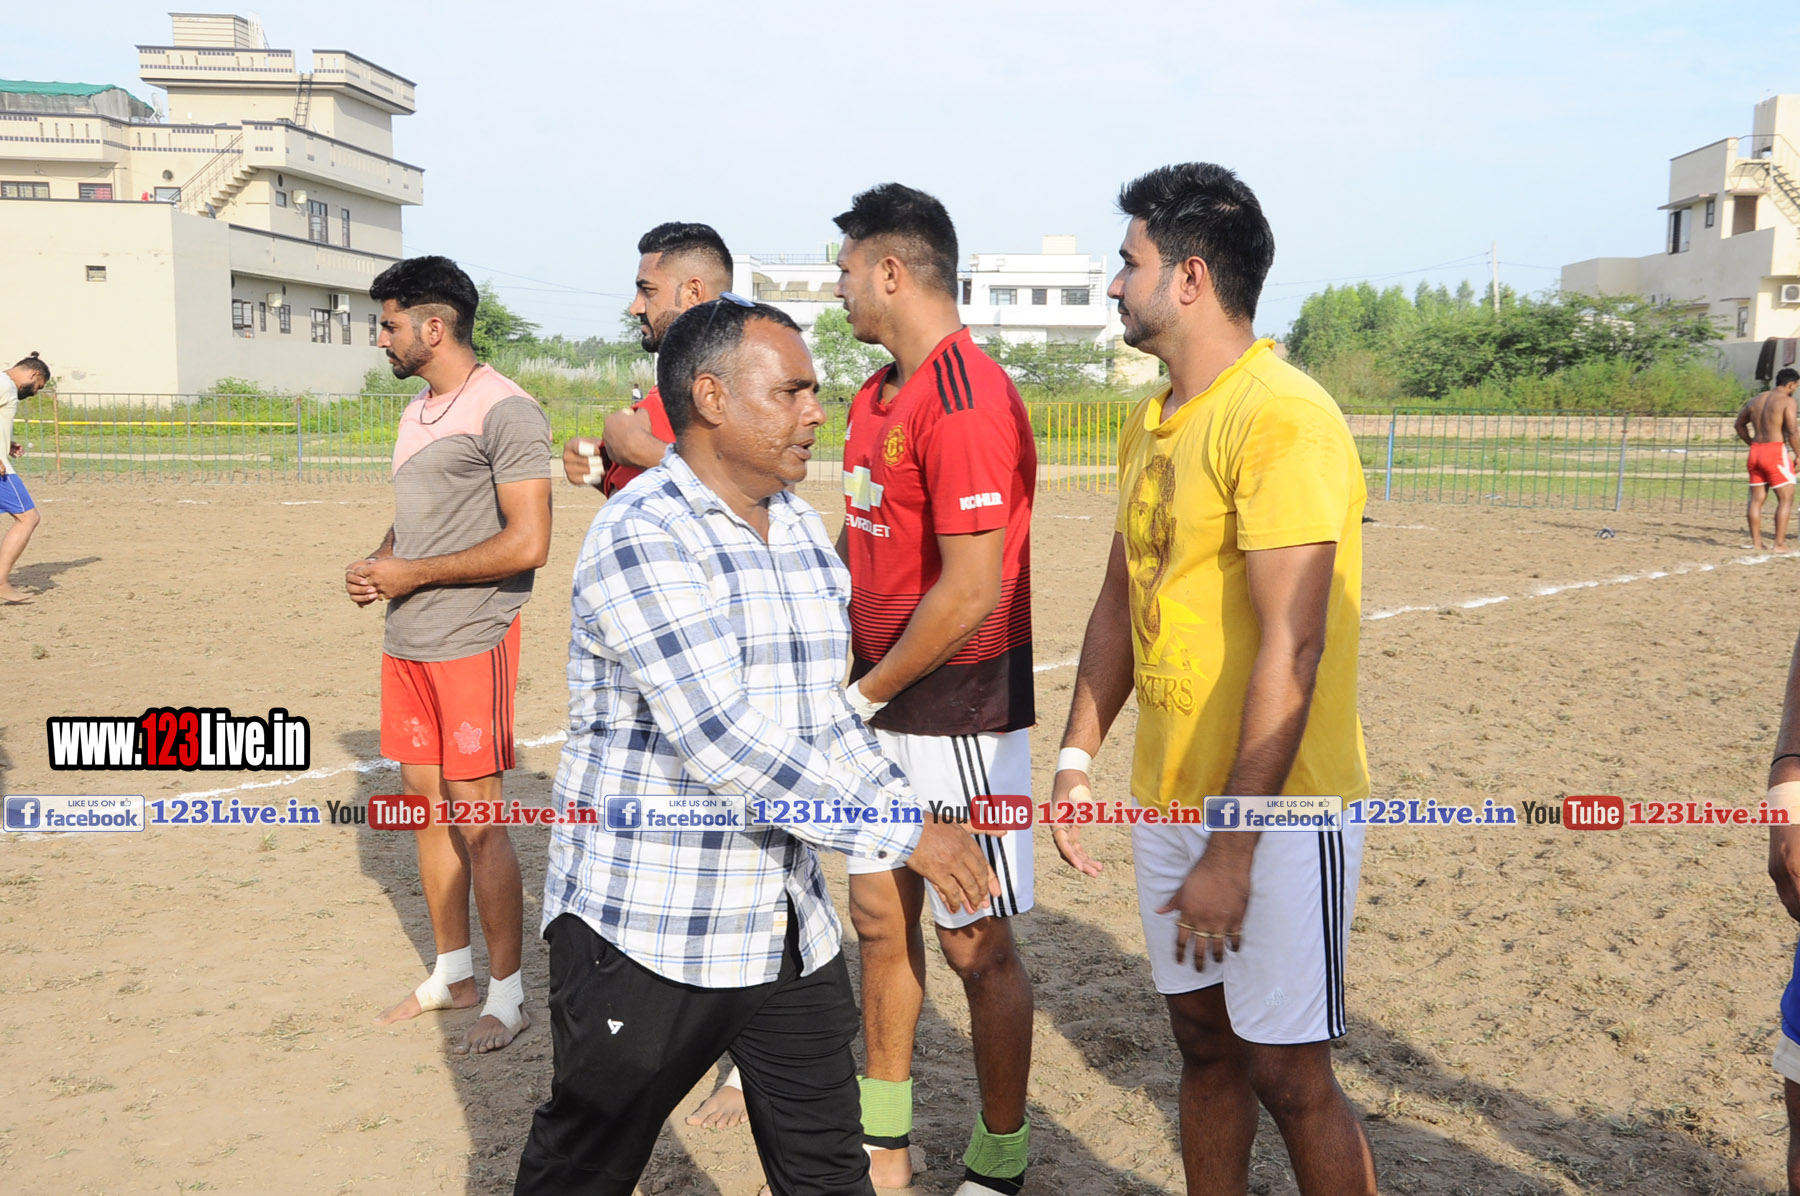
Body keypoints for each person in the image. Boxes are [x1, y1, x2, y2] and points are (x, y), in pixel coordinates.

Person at [517, 296, 998, 1196]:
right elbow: (724, 741)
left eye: (816, 392)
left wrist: (908, 812)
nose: (817, 412)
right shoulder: (644, 532)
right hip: (652, 925)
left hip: (783, 928)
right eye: (792, 391)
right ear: (711, 398)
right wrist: (905, 834)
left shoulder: (801, 533)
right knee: (584, 1165)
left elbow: (826, 718)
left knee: (828, 1170)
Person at [1050, 163, 1377, 1195]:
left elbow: (1294, 645)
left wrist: (1233, 846)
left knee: (1291, 1073)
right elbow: (1122, 595)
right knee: (1202, 1044)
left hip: (1280, 813)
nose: (1114, 283)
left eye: (1128, 261)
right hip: (1168, 797)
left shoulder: (1283, 417)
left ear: (1188, 277)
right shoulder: (1150, 421)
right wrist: (1076, 756)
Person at [830, 183, 1037, 1195]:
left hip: (960, 712)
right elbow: (856, 538)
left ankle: (1000, 1160)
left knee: (973, 944)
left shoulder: (967, 396)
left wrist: (863, 693)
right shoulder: (874, 396)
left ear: (891, 271)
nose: (837, 289)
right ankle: (886, 1147)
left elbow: (970, 591)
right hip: (874, 707)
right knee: (880, 924)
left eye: (844, 271)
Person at [344, 256, 551, 1055]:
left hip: (472, 640)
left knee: (479, 822)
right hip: (407, 640)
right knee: (424, 810)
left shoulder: (507, 410)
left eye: (389, 324)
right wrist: (380, 562)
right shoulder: (419, 410)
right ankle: (454, 974)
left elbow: (528, 543)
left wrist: (415, 573)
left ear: (434, 327)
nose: (381, 339)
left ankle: (508, 994)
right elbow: (418, 523)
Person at [561, 222, 733, 495]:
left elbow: (753, 493)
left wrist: (640, 448)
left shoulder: (742, 390)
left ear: (693, 293)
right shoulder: (671, 390)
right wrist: (605, 470)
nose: (635, 307)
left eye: (648, 290)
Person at [0, 352, 49, 604]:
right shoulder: (5, 385)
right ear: (33, 374)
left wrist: (5, 443)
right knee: (28, 517)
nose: (35, 392)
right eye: (38, 386)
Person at [1735, 367, 1800, 551]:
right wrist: (1799, 455)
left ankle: (1757, 543)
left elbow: (1739, 425)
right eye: (1796, 386)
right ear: (1791, 384)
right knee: (1786, 499)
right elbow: (1793, 431)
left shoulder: (1756, 399)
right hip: (1775, 452)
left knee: (1756, 500)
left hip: (1756, 452)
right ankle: (1779, 544)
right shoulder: (1787, 401)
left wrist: (1751, 443)